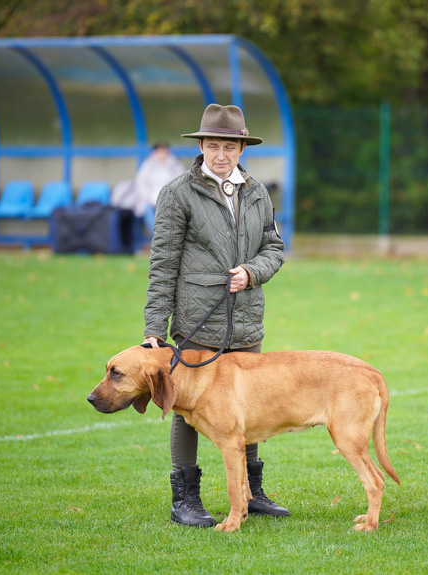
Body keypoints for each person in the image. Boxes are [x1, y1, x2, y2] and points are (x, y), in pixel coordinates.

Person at [142, 104, 286, 528]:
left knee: (250, 405)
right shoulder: (177, 192)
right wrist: (154, 328)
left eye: (229, 146)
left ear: (241, 148)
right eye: (212, 145)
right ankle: (185, 497)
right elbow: (163, 263)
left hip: (246, 320)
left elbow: (274, 249)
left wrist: (251, 272)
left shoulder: (258, 191)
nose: (220, 154)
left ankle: (251, 492)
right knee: (187, 407)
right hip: (196, 321)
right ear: (201, 145)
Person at [112, 141, 187, 233]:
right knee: (147, 209)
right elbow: (141, 183)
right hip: (150, 199)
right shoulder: (148, 164)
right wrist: (149, 198)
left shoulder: (176, 165)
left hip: (170, 199)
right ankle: (157, 234)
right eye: (160, 151)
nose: (162, 154)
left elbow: (180, 183)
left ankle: (165, 235)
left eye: (164, 151)